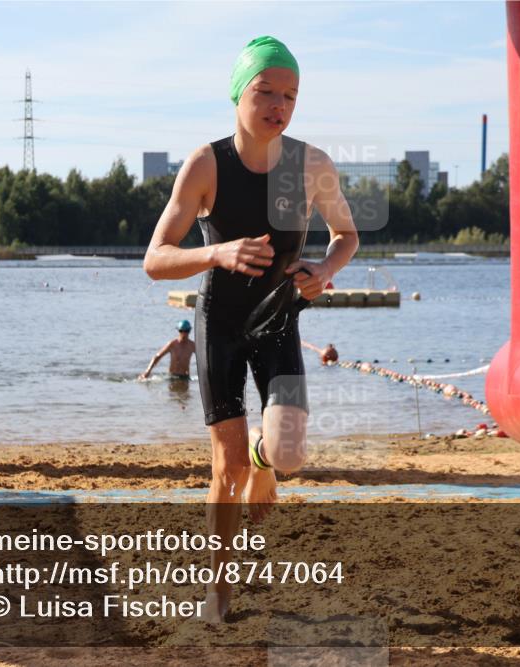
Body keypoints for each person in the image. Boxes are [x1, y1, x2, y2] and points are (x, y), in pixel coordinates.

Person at [143, 35, 358, 622]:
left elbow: (347, 235)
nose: (278, 105)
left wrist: (323, 269)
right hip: (221, 323)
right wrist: (217, 253)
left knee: (285, 454)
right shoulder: (207, 164)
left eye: (290, 95)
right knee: (226, 466)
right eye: (265, 91)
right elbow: (156, 258)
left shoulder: (311, 165)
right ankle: (218, 587)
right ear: (239, 93)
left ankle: (267, 470)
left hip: (280, 321)